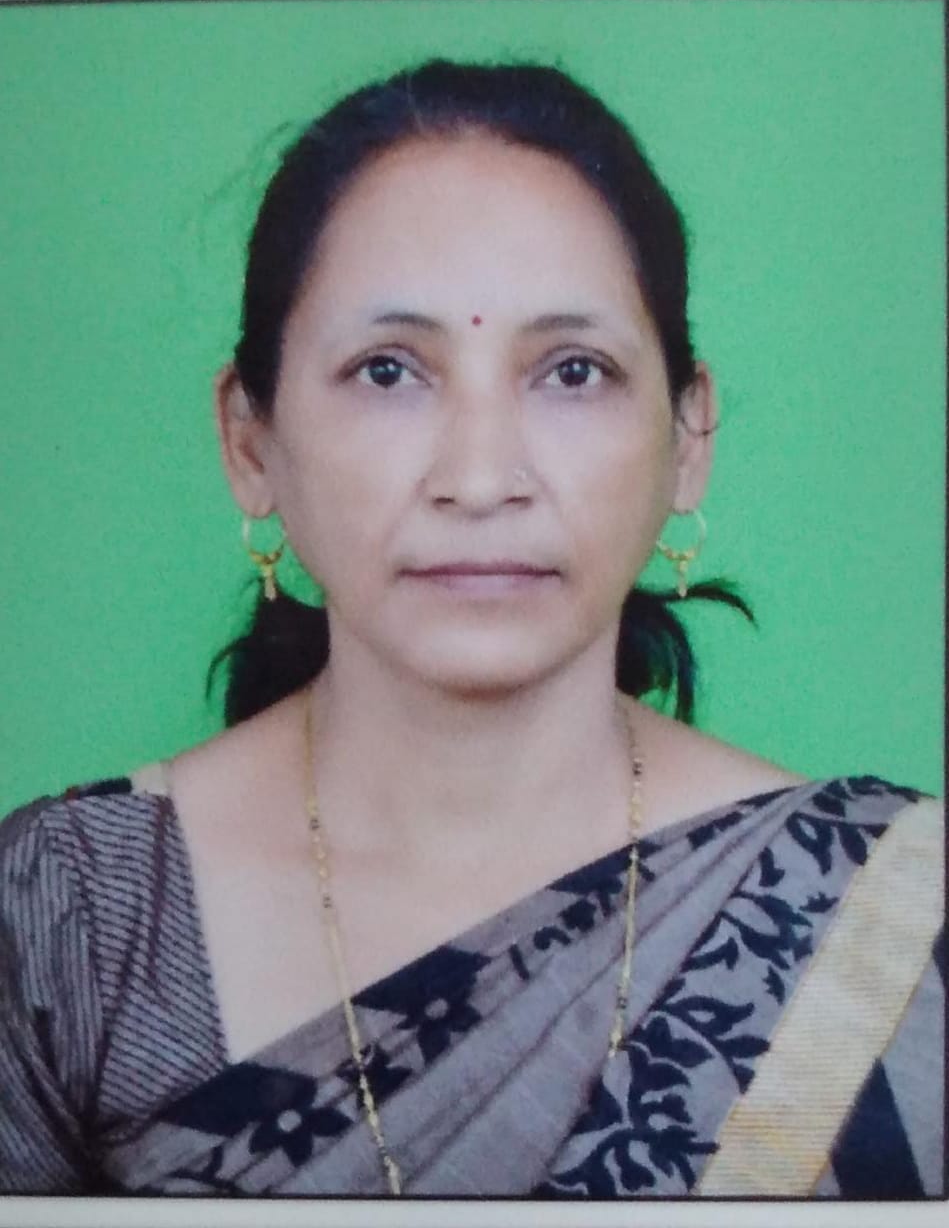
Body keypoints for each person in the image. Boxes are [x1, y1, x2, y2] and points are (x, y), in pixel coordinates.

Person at [0, 59, 942, 1199]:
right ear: (250, 440)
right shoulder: (75, 921)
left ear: (688, 437)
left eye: (573, 371)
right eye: (388, 371)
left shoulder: (886, 918)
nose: (482, 476)